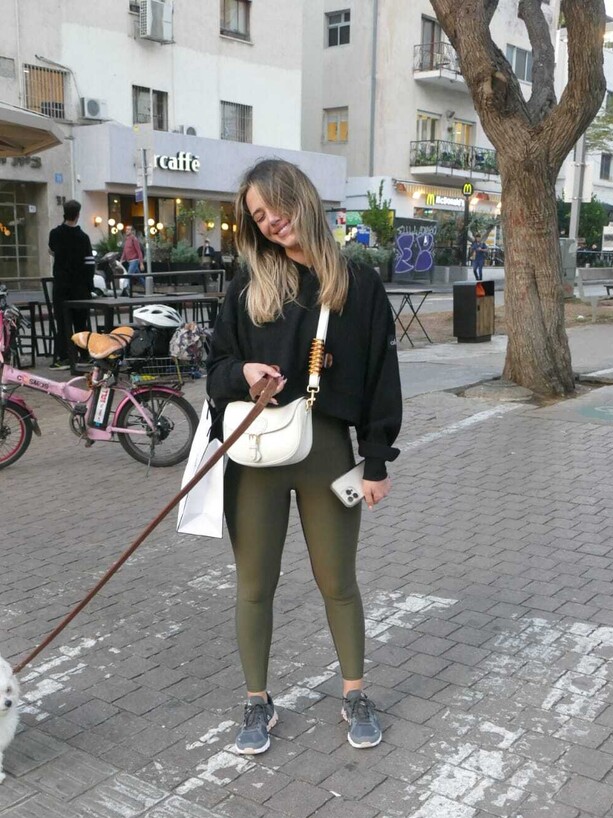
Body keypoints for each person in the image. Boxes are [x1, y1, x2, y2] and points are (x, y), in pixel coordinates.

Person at [206, 159, 402, 755]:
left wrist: (376, 460)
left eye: (275, 206)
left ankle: (355, 693)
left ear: (302, 197)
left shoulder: (357, 283)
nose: (270, 221)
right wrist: (243, 372)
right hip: (256, 454)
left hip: (328, 450)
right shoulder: (248, 286)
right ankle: (256, 700)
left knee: (338, 581)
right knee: (254, 585)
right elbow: (215, 370)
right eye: (258, 215)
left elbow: (380, 375)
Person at [48, 200, 95, 370]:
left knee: (62, 322)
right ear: (78, 215)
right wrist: (89, 286)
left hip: (61, 285)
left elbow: (51, 250)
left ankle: (65, 357)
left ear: (64, 213)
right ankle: (84, 354)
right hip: (80, 287)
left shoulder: (55, 234)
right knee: (81, 322)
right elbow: (89, 263)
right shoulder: (83, 237)